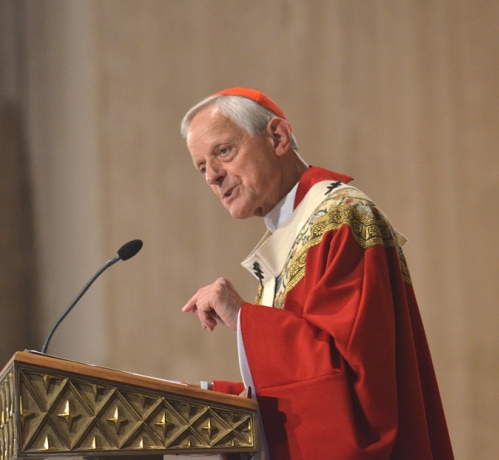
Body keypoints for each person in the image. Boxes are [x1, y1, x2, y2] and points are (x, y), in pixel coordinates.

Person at [181, 87, 454, 459]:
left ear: (278, 137)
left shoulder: (342, 218)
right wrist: (197, 399)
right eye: (201, 167)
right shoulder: (290, 237)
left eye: (223, 152)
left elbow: (359, 390)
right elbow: (299, 390)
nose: (213, 176)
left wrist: (247, 318)